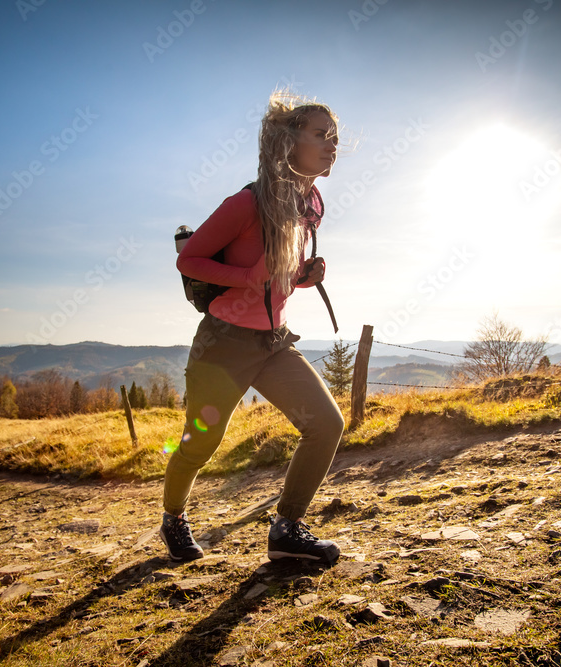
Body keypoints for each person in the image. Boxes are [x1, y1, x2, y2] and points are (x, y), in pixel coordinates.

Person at [160, 91, 344, 565]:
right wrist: (245, 277)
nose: (332, 145)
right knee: (200, 444)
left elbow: (275, 275)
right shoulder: (246, 202)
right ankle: (174, 518)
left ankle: (286, 529)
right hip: (223, 345)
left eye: (335, 137)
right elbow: (189, 258)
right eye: (320, 136)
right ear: (288, 141)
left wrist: (303, 277)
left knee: (326, 423)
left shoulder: (307, 205)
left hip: (273, 341)